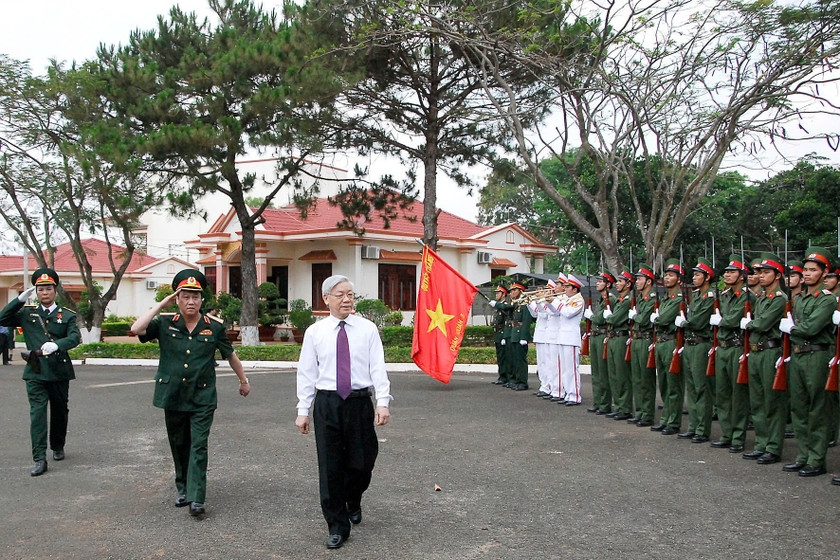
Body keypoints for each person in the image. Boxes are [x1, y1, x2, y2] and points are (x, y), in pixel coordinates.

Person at [131, 269, 251, 517]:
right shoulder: (164, 323)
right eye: (185, 296)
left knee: (198, 445)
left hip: (202, 397)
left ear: (201, 299)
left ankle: (197, 497)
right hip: (172, 395)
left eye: (195, 297)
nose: (191, 302)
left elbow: (230, 355)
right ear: (177, 299)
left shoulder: (213, 327)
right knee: (179, 444)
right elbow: (136, 329)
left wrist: (243, 380)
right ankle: (183, 488)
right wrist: (161, 304)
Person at [295, 274, 392, 549]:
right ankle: (337, 525)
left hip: (359, 403)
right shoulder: (315, 332)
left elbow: (378, 367)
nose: (347, 299)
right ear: (326, 299)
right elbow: (306, 373)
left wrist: (382, 402)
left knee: (362, 463)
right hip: (327, 404)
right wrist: (303, 409)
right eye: (340, 295)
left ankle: (353, 498)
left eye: (350, 294)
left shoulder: (367, 329)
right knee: (330, 467)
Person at [0, 268, 81, 476]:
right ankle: (39, 458)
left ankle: (58, 445)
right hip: (35, 371)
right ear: (36, 292)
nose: (45, 293)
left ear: (55, 290)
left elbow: (75, 337)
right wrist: (19, 300)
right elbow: (2, 318)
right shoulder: (27, 313)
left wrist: (58, 345)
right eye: (40, 289)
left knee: (60, 411)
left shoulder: (67, 315)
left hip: (59, 370)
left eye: (48, 289)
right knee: (37, 414)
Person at [779, 247, 836, 477]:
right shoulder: (799, 298)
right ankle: (803, 456)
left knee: (817, 408)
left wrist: (792, 328)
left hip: (816, 355)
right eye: (806, 270)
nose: (807, 273)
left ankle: (816, 459)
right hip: (798, 355)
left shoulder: (827, 299)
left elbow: (812, 327)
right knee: (799, 407)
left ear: (824, 273)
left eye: (813, 270)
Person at [740, 253, 788, 465]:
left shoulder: (779, 299)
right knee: (757, 401)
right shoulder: (760, 297)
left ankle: (773, 447)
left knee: (772, 402)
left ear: (777, 275)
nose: (760, 276)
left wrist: (749, 324)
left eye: (766, 272)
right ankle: (761, 443)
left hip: (770, 352)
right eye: (759, 272)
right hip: (756, 351)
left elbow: (763, 324)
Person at [709, 254, 751, 453]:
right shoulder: (724, 295)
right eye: (726, 272)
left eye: (732, 272)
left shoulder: (746, 296)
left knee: (737, 395)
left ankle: (738, 436)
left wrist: (721, 320)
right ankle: (727, 434)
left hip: (736, 347)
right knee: (723, 394)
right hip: (723, 347)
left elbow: (733, 319)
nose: (727, 275)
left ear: (742, 276)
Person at [677, 257, 716, 443]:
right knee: (691, 388)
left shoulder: (710, 297)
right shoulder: (697, 295)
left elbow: (698, 322)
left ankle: (702, 429)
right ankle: (693, 426)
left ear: (707, 277)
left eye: (698, 275)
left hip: (701, 344)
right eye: (694, 275)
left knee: (702, 389)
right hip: (690, 344)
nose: (694, 277)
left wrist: (684, 322)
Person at [650, 258, 685, 435]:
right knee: (663, 384)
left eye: (671, 275)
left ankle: (673, 421)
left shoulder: (678, 298)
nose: (667, 278)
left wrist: (656, 319)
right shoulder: (665, 298)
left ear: (679, 279)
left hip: (671, 342)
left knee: (673, 385)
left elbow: (663, 320)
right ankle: (665, 418)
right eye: (666, 275)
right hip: (661, 342)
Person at [546, 274, 585, 405]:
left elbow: (568, 313)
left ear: (575, 289)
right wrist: (548, 301)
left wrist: (555, 301)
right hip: (562, 338)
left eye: (568, 287)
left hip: (571, 338)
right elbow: (556, 312)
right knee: (565, 369)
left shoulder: (578, 300)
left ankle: (575, 395)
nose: (565, 288)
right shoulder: (567, 299)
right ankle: (568, 393)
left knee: (572, 369)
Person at [629, 266, 657, 427]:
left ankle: (647, 414)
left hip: (646, 340)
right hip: (636, 339)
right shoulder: (640, 299)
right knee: (637, 378)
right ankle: (640, 411)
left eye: (640, 279)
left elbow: (644, 320)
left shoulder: (652, 298)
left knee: (646, 379)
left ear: (648, 281)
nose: (637, 282)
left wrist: (635, 316)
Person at [604, 269, 634, 420]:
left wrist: (609, 317)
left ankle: (625, 407)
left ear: (628, 284)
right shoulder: (620, 300)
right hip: (613, 337)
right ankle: (618, 405)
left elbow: (614, 320)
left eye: (620, 281)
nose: (617, 284)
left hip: (621, 338)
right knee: (614, 374)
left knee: (622, 374)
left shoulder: (627, 301)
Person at [585, 271, 615, 414]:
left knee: (603, 373)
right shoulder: (600, 300)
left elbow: (601, 319)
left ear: (608, 284)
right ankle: (597, 401)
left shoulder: (610, 299)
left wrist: (591, 316)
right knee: (596, 372)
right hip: (595, 336)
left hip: (603, 336)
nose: (597, 283)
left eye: (600, 281)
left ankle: (605, 403)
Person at [505, 282, 533, 391]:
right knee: (515, 359)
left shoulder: (525, 303)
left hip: (520, 334)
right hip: (515, 334)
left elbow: (526, 321)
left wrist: (524, 337)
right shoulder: (517, 303)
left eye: (514, 290)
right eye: (511, 291)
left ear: (520, 291)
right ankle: (517, 380)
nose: (511, 292)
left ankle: (522, 382)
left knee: (521, 360)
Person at [489, 285, 511, 386]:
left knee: (505, 357)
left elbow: (507, 319)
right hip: (498, 334)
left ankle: (506, 377)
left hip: (503, 334)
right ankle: (501, 376)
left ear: (503, 294)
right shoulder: (498, 306)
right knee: (500, 357)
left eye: (498, 293)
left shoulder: (505, 305)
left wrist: (504, 336)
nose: (496, 295)